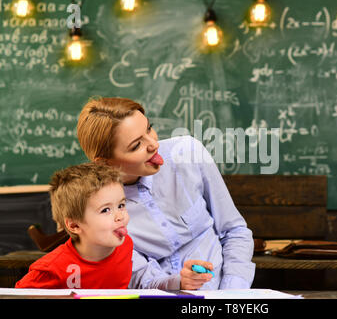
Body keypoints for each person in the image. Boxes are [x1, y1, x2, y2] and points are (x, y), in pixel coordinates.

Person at [76, 97, 255, 290]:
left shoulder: (188, 153)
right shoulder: (97, 208)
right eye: (136, 145)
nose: (153, 144)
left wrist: (232, 294)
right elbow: (140, 276)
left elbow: (234, 231)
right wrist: (179, 283)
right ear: (104, 163)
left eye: (149, 128)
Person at [15, 162, 132, 289]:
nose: (120, 216)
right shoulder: (51, 270)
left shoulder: (126, 246)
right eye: (105, 210)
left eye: (121, 205)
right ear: (74, 225)